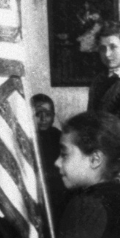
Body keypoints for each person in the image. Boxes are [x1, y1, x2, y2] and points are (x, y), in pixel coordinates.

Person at [32, 93, 68, 221]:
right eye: (38, 114)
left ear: (53, 116)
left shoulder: (60, 137)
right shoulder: (28, 138)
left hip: (56, 191)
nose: (43, 119)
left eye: (47, 114)